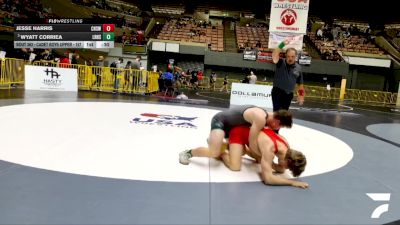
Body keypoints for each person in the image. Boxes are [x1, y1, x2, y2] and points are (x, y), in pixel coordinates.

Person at [179, 105, 293, 165]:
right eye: (281, 126)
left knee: (241, 151)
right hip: (221, 121)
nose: (279, 129)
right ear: (277, 121)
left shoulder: (265, 117)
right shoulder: (260, 118)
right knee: (214, 152)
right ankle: (188, 153)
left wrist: (259, 157)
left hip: (233, 127)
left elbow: (248, 144)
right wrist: (264, 158)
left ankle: (218, 142)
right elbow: (252, 144)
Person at [220, 125, 308, 189]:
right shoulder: (270, 149)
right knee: (234, 166)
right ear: (287, 161)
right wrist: (292, 182)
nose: (286, 169)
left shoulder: (285, 145)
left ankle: (239, 149)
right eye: (288, 167)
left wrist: (273, 165)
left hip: (252, 139)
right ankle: (221, 152)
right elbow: (268, 179)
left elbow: (281, 169)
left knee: (275, 167)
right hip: (239, 133)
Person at [272, 40, 305, 112]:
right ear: (285, 56)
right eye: (288, 56)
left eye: (292, 56)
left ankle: (281, 123)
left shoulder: (298, 68)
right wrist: (282, 44)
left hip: (289, 94)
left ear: (295, 56)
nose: (290, 58)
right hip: (277, 92)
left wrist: (301, 95)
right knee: (277, 112)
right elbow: (274, 55)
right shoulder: (280, 62)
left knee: (284, 113)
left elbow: (301, 84)